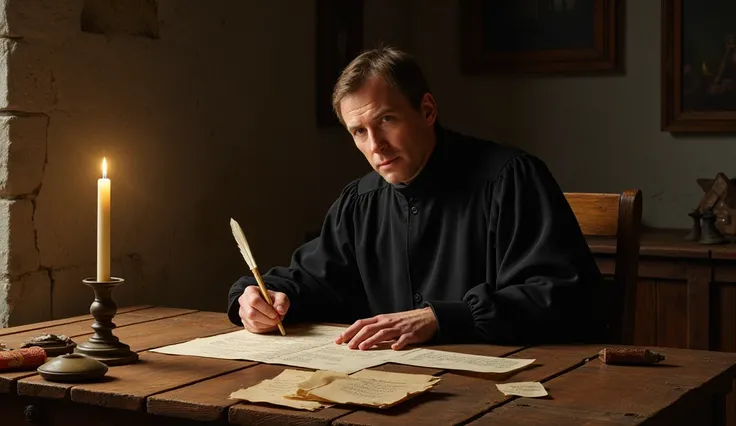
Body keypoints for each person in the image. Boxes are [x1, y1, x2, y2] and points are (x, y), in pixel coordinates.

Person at [227, 46, 604, 350]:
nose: (376, 147)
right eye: (359, 132)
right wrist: (259, 299)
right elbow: (310, 281)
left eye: (386, 120)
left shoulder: (511, 179)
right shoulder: (360, 201)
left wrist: (441, 317)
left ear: (426, 110)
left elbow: (565, 297)